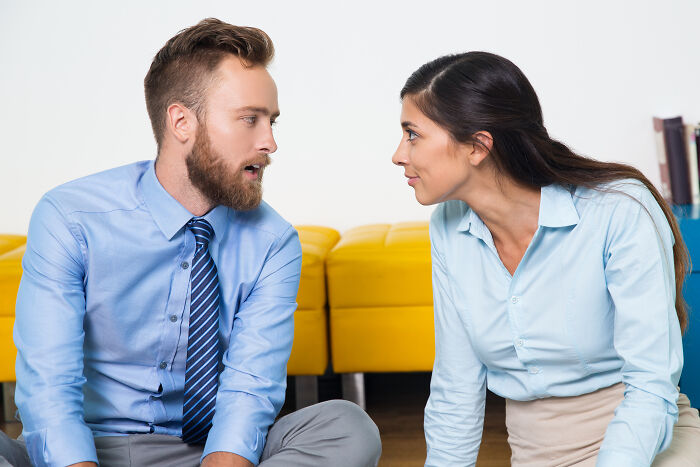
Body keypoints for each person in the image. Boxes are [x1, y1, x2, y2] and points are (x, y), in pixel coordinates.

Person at [0, 18, 381, 467]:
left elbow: (249, 389)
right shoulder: (70, 217)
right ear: (182, 122)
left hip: (204, 453)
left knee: (347, 428)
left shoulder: (274, 241)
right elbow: (49, 387)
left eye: (272, 121)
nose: (270, 142)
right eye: (249, 120)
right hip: (80, 452)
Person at [392, 51, 700, 466]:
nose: (398, 154)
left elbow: (649, 383)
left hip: (645, 441)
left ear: (478, 146)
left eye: (413, 134)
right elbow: (456, 388)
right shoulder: (448, 226)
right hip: (537, 452)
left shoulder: (620, 210)